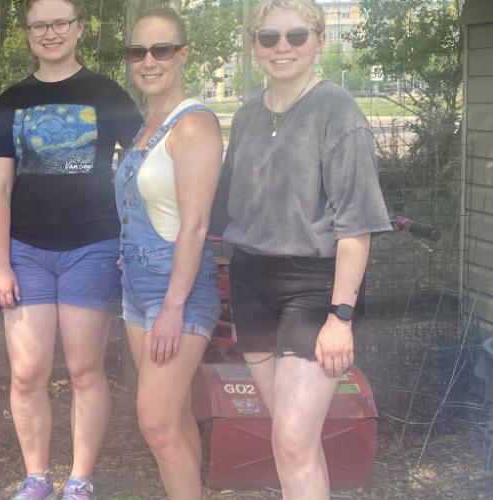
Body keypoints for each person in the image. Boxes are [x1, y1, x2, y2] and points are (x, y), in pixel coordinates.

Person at [213, 1, 391, 498]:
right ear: (255, 47)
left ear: (319, 41)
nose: (282, 47)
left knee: (291, 440)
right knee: (293, 440)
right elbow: (226, 205)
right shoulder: (247, 115)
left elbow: (357, 225)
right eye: (268, 38)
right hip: (250, 280)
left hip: (314, 286)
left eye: (295, 35)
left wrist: (341, 315)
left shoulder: (337, 110)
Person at [0, 1, 142, 498]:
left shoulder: (107, 92)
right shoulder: (12, 100)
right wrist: (0, 264)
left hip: (92, 247)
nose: (49, 33)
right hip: (25, 250)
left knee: (82, 368)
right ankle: (36, 478)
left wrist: (133, 238)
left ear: (78, 29)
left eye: (59, 23)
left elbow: (143, 167)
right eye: (39, 25)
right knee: (27, 371)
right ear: (27, 33)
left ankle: (79, 479)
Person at [117, 9, 223, 500]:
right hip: (136, 288)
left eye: (161, 50)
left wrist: (174, 308)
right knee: (174, 420)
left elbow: (197, 225)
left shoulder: (194, 124)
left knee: (155, 423)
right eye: (138, 51)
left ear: (182, 54)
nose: (148, 61)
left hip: (174, 292)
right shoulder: (150, 123)